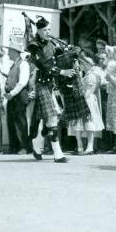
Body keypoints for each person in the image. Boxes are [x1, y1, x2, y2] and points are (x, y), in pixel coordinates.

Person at [26, 15, 75, 163]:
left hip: (53, 85)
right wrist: (62, 72)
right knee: (52, 119)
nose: (48, 32)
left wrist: (70, 52)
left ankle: (36, 141)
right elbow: (43, 65)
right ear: (39, 31)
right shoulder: (33, 46)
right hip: (41, 84)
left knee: (52, 120)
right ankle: (58, 154)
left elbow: (59, 58)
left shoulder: (51, 43)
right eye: (45, 30)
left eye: (49, 29)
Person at [68, 54, 105, 155]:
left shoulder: (91, 76)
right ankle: (80, 146)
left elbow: (88, 91)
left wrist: (80, 98)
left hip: (87, 100)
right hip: (83, 99)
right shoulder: (85, 75)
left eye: (84, 64)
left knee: (89, 123)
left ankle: (89, 147)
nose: (82, 65)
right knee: (79, 124)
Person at [2, 35, 31, 155]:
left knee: (20, 122)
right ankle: (14, 147)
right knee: (12, 122)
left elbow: (22, 82)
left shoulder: (23, 64)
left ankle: (24, 147)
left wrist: (12, 94)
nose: (8, 53)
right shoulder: (14, 65)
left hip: (18, 96)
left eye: (9, 50)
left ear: (15, 52)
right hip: (13, 96)